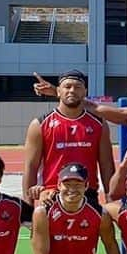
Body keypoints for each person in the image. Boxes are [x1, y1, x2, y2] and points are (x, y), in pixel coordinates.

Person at [22, 69, 114, 207]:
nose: (72, 90)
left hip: (87, 193)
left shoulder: (99, 124)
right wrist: (28, 208)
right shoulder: (40, 124)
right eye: (67, 86)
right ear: (58, 91)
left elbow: (106, 165)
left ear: (85, 92)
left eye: (77, 87)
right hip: (52, 193)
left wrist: (110, 201)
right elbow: (31, 167)